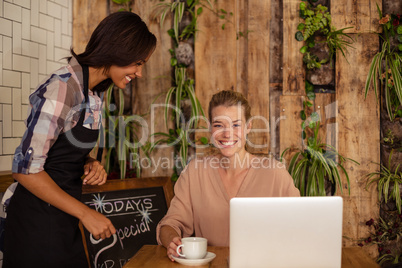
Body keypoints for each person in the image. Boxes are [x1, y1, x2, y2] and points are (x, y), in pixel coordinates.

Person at [3, 12, 156, 267]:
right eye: (137, 63)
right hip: (36, 226)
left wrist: (89, 161)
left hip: (64, 221)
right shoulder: (63, 87)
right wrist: (86, 213)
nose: (139, 73)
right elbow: (25, 171)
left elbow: (60, 149)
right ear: (118, 51)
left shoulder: (95, 93)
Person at [157, 90, 300, 261]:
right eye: (219, 125)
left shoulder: (275, 174)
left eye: (236, 125)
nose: (227, 134)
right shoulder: (194, 173)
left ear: (248, 127)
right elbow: (170, 223)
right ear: (210, 128)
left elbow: (299, 227)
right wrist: (172, 241)